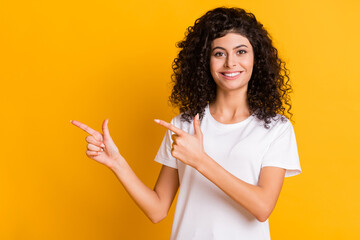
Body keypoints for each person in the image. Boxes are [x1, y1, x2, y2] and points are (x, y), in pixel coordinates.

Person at [71, 6, 301, 240]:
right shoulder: (183, 125)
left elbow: (262, 208)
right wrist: (116, 163)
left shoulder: (276, 129)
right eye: (219, 53)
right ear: (205, 61)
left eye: (241, 52)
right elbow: (157, 209)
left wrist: (200, 160)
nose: (231, 63)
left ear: (256, 58)